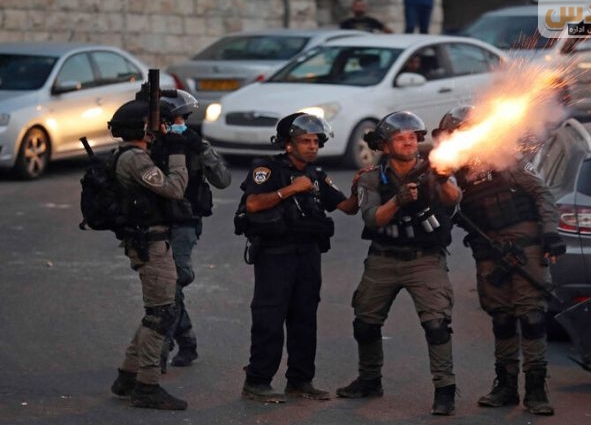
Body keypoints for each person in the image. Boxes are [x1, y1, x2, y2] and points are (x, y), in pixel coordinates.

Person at [435, 106, 565, 416]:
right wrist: (439, 181)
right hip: (488, 251)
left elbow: (542, 194)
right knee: (502, 319)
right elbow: (441, 207)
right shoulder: (450, 171)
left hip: (525, 247)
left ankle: (536, 390)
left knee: (532, 317)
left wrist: (551, 233)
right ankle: (506, 386)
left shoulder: (506, 158)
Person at [336, 111, 462, 415]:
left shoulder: (436, 167)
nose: (408, 142)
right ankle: (369, 380)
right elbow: (372, 218)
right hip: (383, 258)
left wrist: (442, 179)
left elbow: (453, 198)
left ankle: (445, 390)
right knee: (365, 324)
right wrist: (398, 199)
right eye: (400, 138)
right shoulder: (370, 177)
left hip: (425, 260)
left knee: (437, 325)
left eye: (412, 137)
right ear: (385, 145)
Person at [240, 113, 363, 403]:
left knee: (305, 318)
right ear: (288, 144)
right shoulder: (267, 170)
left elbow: (347, 207)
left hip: (308, 255)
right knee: (269, 318)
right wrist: (290, 190)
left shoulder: (317, 175)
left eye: (316, 141)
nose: (312, 146)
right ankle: (257, 381)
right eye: (305, 141)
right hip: (275, 255)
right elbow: (253, 204)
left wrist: (359, 187)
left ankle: (300, 380)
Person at [106, 99, 189, 410]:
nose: (160, 128)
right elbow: (174, 189)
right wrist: (178, 151)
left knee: (156, 312)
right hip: (150, 244)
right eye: (154, 124)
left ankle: (128, 376)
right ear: (143, 128)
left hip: (149, 241)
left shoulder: (129, 155)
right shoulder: (135, 159)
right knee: (161, 314)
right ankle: (147, 386)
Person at [150, 90, 232, 372]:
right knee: (165, 285)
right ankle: (186, 340)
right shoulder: (150, 145)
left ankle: (160, 351)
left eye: (181, 119)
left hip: (184, 220)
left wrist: (199, 148)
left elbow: (222, 179)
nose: (178, 125)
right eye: (173, 120)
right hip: (154, 221)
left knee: (175, 279)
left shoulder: (194, 144)